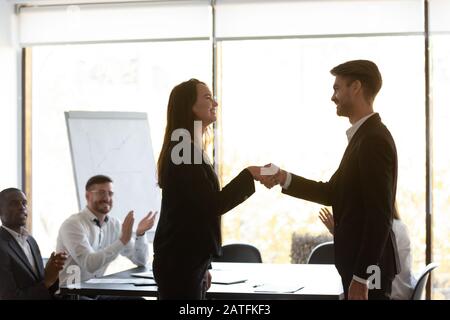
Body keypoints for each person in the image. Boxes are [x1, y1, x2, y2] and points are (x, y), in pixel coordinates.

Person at [263, 60, 400, 300]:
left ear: (356, 87)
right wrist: (283, 178)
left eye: (337, 88)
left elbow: (379, 215)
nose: (332, 97)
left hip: (368, 271)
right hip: (363, 268)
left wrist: (361, 278)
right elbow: (331, 193)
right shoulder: (363, 138)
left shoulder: (372, 140)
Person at [153, 78, 262, 299]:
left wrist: (205, 265)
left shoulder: (189, 148)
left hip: (188, 260)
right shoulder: (184, 150)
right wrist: (249, 174)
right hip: (179, 261)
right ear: (189, 106)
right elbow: (212, 205)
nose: (216, 103)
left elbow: (193, 212)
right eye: (207, 97)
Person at [56, 175, 156, 296]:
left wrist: (140, 234)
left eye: (110, 193)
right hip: (71, 294)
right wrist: (122, 241)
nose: (107, 198)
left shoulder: (115, 225)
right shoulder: (73, 225)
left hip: (96, 291)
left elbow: (140, 261)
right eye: (101, 193)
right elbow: (89, 264)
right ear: (88, 196)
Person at [319, 205, 416, 300]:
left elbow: (366, 261)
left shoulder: (378, 229)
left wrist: (338, 233)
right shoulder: (400, 227)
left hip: (389, 294)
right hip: (402, 291)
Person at [0, 188, 67, 299]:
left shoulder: (31, 241)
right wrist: (47, 280)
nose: (22, 207)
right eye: (14, 203)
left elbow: (42, 287)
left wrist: (53, 273)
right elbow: (9, 297)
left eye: (24, 203)